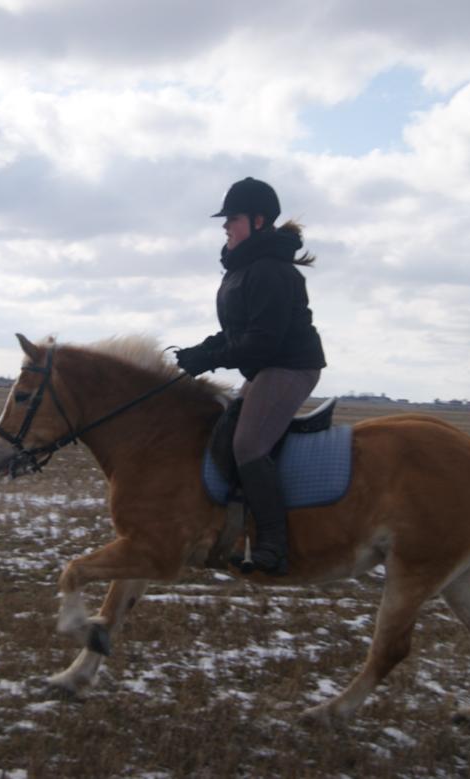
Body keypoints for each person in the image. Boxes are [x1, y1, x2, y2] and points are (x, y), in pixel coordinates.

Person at [175, 177, 326, 576]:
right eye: (225, 220)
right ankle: (234, 528)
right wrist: (200, 352)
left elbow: (260, 342)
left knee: (247, 445)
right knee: (224, 431)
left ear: (259, 221)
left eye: (233, 218)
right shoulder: (244, 269)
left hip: (290, 366)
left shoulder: (270, 272)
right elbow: (235, 335)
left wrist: (210, 360)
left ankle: (275, 545)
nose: (225, 226)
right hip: (267, 365)